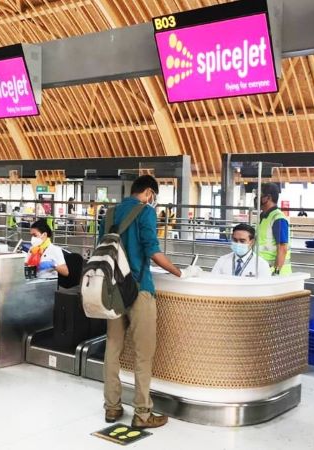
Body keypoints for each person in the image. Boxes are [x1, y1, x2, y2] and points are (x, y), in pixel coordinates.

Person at [99, 175, 200, 429]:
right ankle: (143, 413)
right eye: (153, 196)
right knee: (143, 354)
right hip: (139, 289)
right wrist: (180, 272)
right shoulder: (146, 212)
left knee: (113, 348)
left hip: (112, 289)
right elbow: (153, 251)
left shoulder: (109, 214)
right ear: (148, 193)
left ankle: (112, 407)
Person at [256, 183, 291, 276]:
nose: (256, 198)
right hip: (263, 270)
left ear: (268, 198)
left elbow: (282, 248)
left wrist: (276, 272)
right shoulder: (264, 216)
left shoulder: (278, 218)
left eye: (259, 195)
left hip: (275, 274)